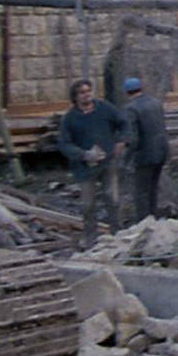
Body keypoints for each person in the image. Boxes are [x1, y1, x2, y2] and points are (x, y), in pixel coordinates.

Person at [58, 78, 127, 248]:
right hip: (84, 168)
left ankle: (118, 234)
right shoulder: (70, 118)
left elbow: (124, 123)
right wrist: (83, 154)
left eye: (88, 91)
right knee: (88, 204)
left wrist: (123, 141)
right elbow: (64, 144)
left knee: (112, 198)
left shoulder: (104, 108)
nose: (86, 95)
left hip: (108, 161)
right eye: (82, 92)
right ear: (75, 97)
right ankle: (91, 239)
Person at [121, 76, 170, 222]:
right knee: (153, 188)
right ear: (141, 89)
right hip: (161, 152)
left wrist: (125, 160)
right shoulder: (155, 103)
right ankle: (153, 218)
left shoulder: (131, 109)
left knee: (141, 191)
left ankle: (144, 223)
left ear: (126, 92)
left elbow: (133, 138)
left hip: (144, 155)